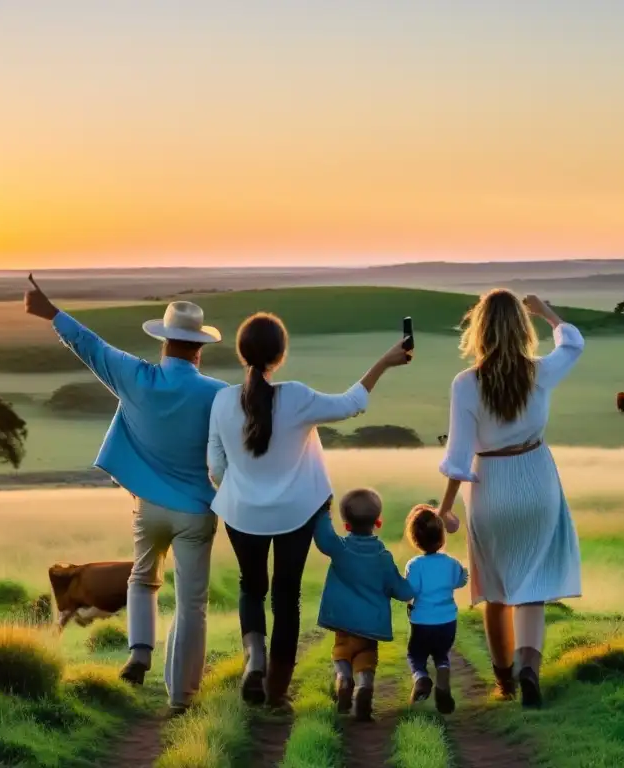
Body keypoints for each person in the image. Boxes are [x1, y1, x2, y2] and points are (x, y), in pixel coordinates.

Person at [25, 277, 227, 715]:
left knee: (142, 577)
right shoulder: (219, 394)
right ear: (199, 349)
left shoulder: (135, 377)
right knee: (192, 604)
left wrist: (49, 311)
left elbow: (90, 345)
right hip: (197, 510)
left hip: (147, 508)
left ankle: (139, 652)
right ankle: (181, 697)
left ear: (164, 343)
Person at [207, 312, 411, 708]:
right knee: (286, 598)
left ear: (241, 353)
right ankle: (277, 693)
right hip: (296, 515)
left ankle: (255, 658)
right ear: (280, 355)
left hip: (240, 514)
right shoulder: (297, 396)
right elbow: (352, 403)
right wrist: (385, 361)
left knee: (252, 588)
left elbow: (216, 468)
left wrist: (245, 488)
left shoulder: (221, 401)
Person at [436, 289, 583, 708]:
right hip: (536, 480)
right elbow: (573, 344)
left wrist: (444, 510)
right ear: (523, 329)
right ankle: (529, 669)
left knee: (496, 591)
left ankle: (504, 683)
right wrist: (547, 312)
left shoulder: (465, 384)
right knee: (531, 587)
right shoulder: (540, 372)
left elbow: (458, 457)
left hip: (490, 486)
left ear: (478, 331)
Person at [312, 488, 414, 721]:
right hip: (370, 626)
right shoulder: (383, 558)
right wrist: (416, 585)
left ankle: (343, 678)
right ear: (378, 522)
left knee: (341, 653)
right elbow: (401, 590)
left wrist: (323, 510)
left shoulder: (340, 549)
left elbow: (324, 536)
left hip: (343, 622)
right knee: (366, 658)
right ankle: (364, 687)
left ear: (346, 526)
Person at [403, 503, 468, 714]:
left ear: (415, 539)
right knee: (442, 654)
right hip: (447, 621)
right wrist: (461, 573)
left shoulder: (414, 565)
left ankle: (421, 678)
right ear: (441, 536)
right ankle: (442, 675)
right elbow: (461, 580)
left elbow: (410, 590)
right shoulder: (451, 563)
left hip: (422, 621)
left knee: (416, 655)